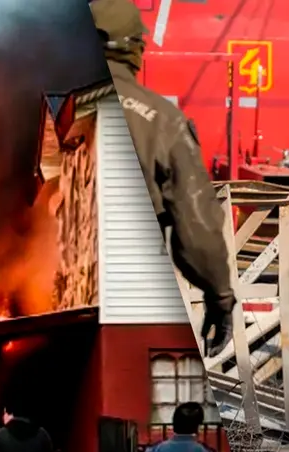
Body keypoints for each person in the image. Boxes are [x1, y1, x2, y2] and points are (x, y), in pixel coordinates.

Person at [89, 0, 236, 357]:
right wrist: (220, 297)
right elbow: (197, 222)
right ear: (133, 47)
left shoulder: (40, 96)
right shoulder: (160, 120)